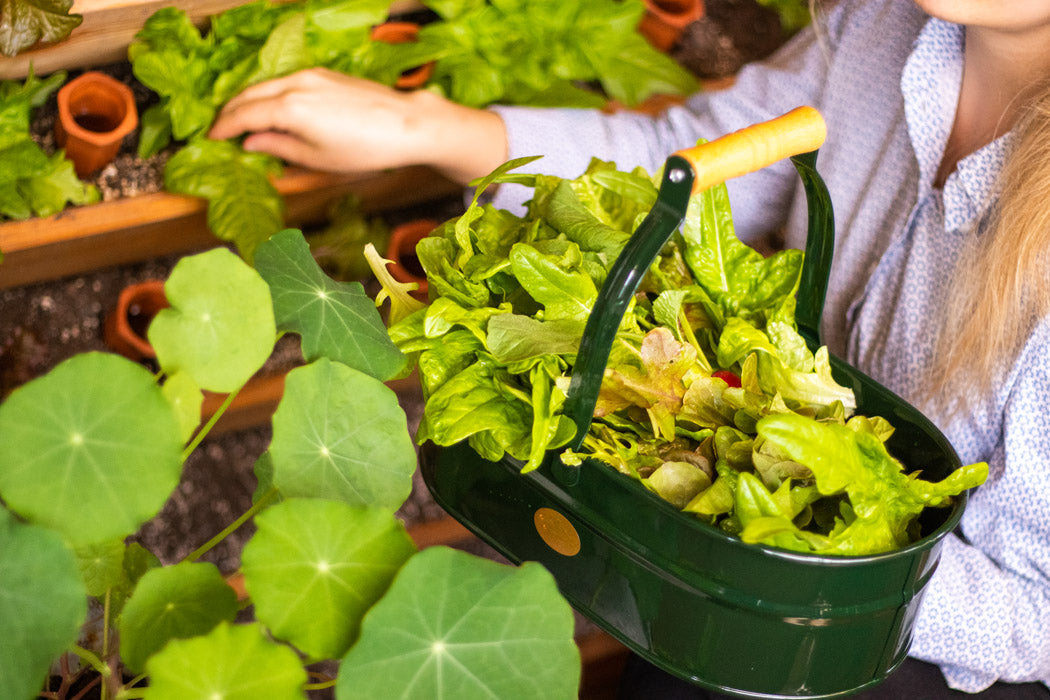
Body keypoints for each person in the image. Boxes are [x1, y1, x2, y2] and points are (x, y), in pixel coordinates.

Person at [209, 0, 1050, 695]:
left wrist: (785, 555)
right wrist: (425, 127)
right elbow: (681, 172)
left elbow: (1037, 610)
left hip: (899, 657)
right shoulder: (885, 27)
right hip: (712, 584)